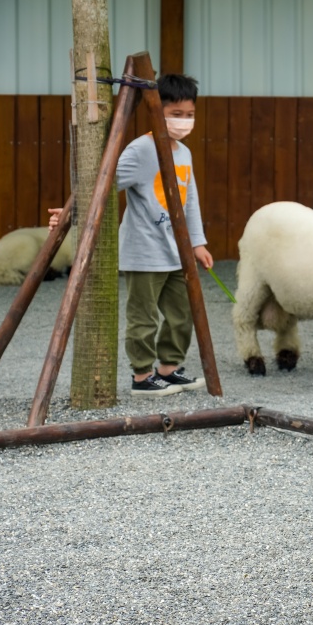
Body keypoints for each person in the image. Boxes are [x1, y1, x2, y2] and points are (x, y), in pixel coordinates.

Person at [53, 75, 213, 397]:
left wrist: (197, 242)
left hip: (177, 250)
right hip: (144, 251)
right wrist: (69, 214)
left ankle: (169, 368)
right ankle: (142, 376)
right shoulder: (141, 151)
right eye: (176, 114)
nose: (183, 121)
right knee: (144, 317)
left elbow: (189, 201)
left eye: (189, 114)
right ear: (157, 111)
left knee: (181, 313)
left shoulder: (184, 153)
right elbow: (105, 185)